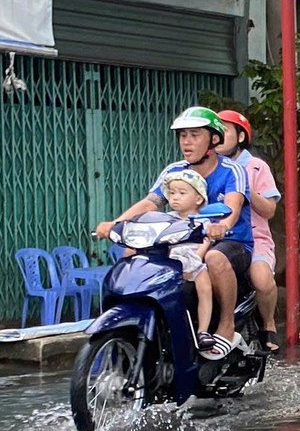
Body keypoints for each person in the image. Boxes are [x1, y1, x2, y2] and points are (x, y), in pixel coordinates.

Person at [98, 107, 249, 352]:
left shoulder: (232, 170)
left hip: (231, 242)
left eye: (194, 135)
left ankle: (226, 324)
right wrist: (116, 223)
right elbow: (151, 202)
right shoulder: (174, 171)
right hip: (182, 241)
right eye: (183, 136)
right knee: (131, 256)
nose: (187, 142)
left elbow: (233, 205)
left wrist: (222, 226)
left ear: (213, 139)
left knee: (214, 257)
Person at [120, 168, 225, 354]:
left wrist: (196, 258)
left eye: (182, 193)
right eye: (172, 193)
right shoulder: (166, 219)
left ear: (199, 198)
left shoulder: (203, 220)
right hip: (169, 262)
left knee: (204, 286)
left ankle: (203, 331)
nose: (175, 197)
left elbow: (207, 241)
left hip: (193, 260)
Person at [218, 110, 281, 352]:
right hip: (216, 238)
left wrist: (244, 189)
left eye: (224, 131)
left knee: (262, 280)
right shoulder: (209, 166)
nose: (217, 137)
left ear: (241, 136)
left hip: (255, 238)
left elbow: (269, 210)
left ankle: (268, 323)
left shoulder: (256, 167)